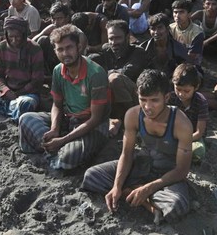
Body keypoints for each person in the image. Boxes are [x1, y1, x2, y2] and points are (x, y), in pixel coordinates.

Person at [81, 69, 193, 224]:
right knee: (91, 176)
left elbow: (182, 170)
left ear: (166, 97)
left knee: (177, 206)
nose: (147, 107)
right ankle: (141, 199)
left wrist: (148, 188)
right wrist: (117, 186)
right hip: (140, 165)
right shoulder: (132, 115)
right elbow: (126, 155)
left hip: (168, 175)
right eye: (143, 99)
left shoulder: (182, 123)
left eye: (154, 100)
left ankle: (134, 192)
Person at [18, 24, 110, 170]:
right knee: (26, 119)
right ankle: (55, 152)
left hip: (92, 127)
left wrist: (63, 140)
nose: (65, 53)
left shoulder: (95, 74)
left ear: (78, 47)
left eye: (69, 48)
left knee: (68, 157)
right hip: (68, 120)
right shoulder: (57, 71)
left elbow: (96, 119)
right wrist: (55, 128)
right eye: (60, 49)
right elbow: (57, 104)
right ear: (55, 51)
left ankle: (58, 153)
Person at [90, 20, 148, 136]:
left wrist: (104, 75)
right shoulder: (107, 50)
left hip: (137, 101)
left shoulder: (138, 52)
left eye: (118, 38)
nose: (114, 42)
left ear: (127, 37)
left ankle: (135, 121)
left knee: (115, 79)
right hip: (112, 101)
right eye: (111, 38)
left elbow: (127, 73)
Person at [168, 63, 208, 162]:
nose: (181, 94)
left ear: (196, 87)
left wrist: (180, 141)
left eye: (187, 91)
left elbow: (199, 132)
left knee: (198, 151)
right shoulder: (170, 98)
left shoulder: (201, 102)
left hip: (192, 136)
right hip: (171, 133)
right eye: (178, 89)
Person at [140, 13, 189, 77]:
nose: (156, 32)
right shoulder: (143, 48)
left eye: (160, 28)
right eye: (153, 29)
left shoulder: (179, 48)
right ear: (149, 31)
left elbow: (187, 69)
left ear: (167, 29)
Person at [169, 0, 204, 67]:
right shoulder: (170, 28)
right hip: (173, 58)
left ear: (189, 14)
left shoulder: (197, 32)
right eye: (175, 12)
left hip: (190, 62)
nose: (177, 16)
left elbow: (191, 56)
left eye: (181, 12)